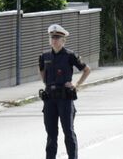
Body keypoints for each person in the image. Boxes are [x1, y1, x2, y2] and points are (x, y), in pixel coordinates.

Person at [39, 24, 91, 159]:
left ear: (63, 40)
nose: (54, 40)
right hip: (50, 99)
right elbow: (42, 71)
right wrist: (48, 84)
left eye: (57, 38)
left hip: (65, 99)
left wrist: (76, 85)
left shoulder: (70, 55)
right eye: (52, 37)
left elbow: (86, 70)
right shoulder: (44, 56)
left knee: (68, 132)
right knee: (51, 134)